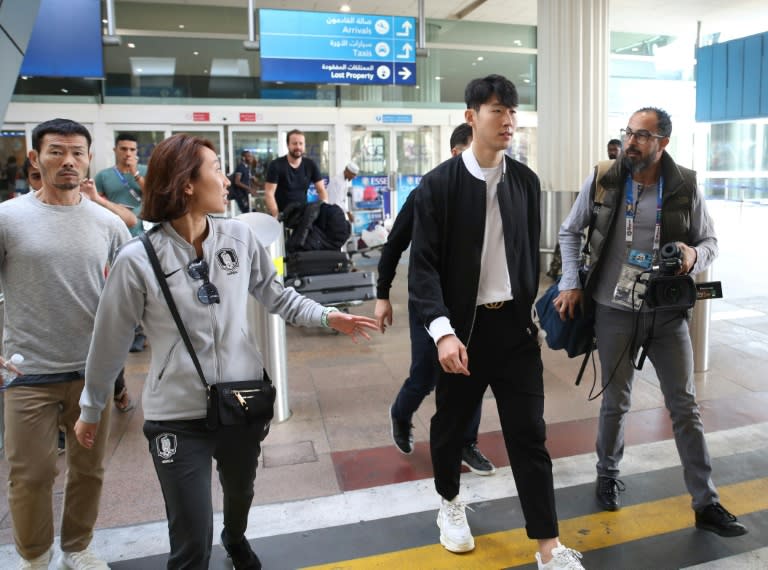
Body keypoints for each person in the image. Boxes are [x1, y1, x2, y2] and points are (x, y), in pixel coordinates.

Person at [74, 133, 380, 570]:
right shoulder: (136, 260)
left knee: (240, 493)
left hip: (240, 402)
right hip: (176, 417)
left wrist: (329, 316)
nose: (226, 178)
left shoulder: (238, 236)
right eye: (215, 168)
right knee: (191, 545)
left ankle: (235, 539)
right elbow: (109, 343)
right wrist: (91, 407)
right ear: (186, 185)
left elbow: (278, 296)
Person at [408, 75, 583, 569]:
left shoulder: (524, 182)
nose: (508, 120)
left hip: (514, 331)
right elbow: (422, 267)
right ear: (471, 117)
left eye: (512, 111)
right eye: (496, 111)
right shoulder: (438, 186)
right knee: (451, 426)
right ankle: (449, 503)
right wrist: (441, 332)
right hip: (460, 331)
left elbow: (527, 251)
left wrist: (530, 311)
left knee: (529, 434)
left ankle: (548, 545)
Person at [556, 107, 747, 538]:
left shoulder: (684, 186)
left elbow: (711, 241)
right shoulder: (605, 177)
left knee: (684, 406)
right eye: (628, 132)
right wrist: (571, 281)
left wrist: (694, 256)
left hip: (666, 314)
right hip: (613, 309)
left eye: (641, 135)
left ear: (662, 142)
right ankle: (607, 474)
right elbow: (569, 231)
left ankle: (706, 502)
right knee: (615, 399)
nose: (631, 142)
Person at [0, 118, 131, 570]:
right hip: (26, 372)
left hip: (91, 373)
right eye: (57, 151)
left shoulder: (108, 225)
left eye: (77, 152)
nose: (68, 160)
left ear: (89, 159)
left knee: (89, 470)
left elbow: (130, 292)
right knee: (30, 474)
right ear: (36, 158)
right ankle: (35, 556)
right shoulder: (8, 218)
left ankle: (78, 546)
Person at [378, 123, 496, 476]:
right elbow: (394, 244)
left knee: (469, 371)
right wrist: (383, 295)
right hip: (428, 302)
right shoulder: (427, 190)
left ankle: (467, 442)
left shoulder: (490, 194)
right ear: (456, 154)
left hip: (470, 304)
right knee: (426, 373)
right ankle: (401, 412)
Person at [95, 133, 147, 353]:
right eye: (124, 149)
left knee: (143, 285)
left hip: (143, 233)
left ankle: (142, 333)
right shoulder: (104, 175)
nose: (128, 153)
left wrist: (135, 173)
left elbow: (153, 195)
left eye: (132, 150)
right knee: (121, 286)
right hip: (115, 235)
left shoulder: (145, 172)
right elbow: (95, 202)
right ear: (115, 150)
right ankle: (126, 333)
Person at [264, 129, 327, 217]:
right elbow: (269, 193)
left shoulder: (310, 164)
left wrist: (323, 209)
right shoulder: (276, 165)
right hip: (281, 214)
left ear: (304, 145)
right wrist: (277, 216)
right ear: (288, 145)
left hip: (302, 215)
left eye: (301, 143)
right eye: (294, 143)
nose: (298, 147)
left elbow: (321, 190)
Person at [230, 149, 255, 214]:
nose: (251, 158)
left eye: (251, 156)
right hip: (240, 195)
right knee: (246, 211)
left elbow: (247, 179)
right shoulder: (240, 167)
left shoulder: (247, 167)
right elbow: (237, 182)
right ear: (243, 158)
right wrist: (249, 188)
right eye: (249, 156)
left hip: (245, 194)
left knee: (250, 210)